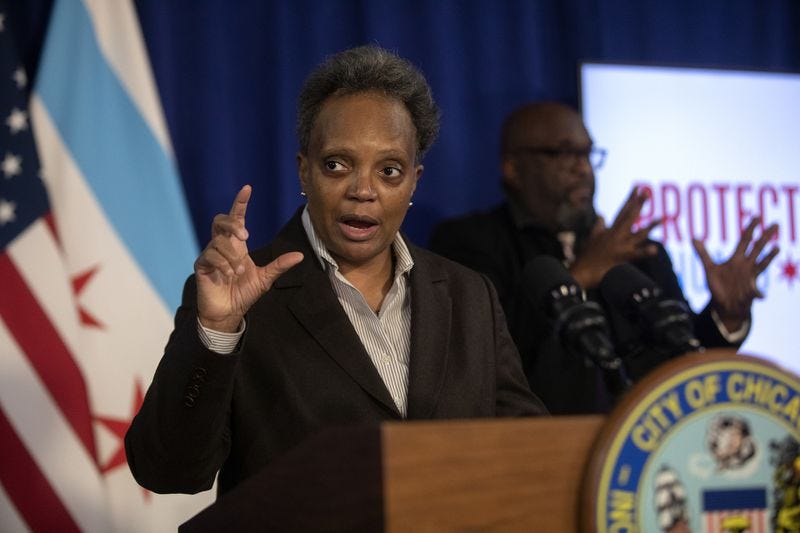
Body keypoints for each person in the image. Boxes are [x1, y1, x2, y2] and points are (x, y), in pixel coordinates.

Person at [125, 45, 546, 496]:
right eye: (336, 165)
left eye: (389, 170)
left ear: (414, 183)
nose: (363, 190)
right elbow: (167, 472)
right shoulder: (239, 299)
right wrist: (217, 332)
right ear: (304, 172)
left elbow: (530, 449)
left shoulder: (468, 295)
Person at [429, 101, 778, 415]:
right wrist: (579, 275)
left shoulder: (639, 253)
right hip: (531, 449)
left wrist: (725, 317)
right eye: (563, 154)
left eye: (588, 155)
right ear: (513, 168)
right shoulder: (470, 242)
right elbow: (481, 362)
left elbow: (683, 366)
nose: (582, 169)